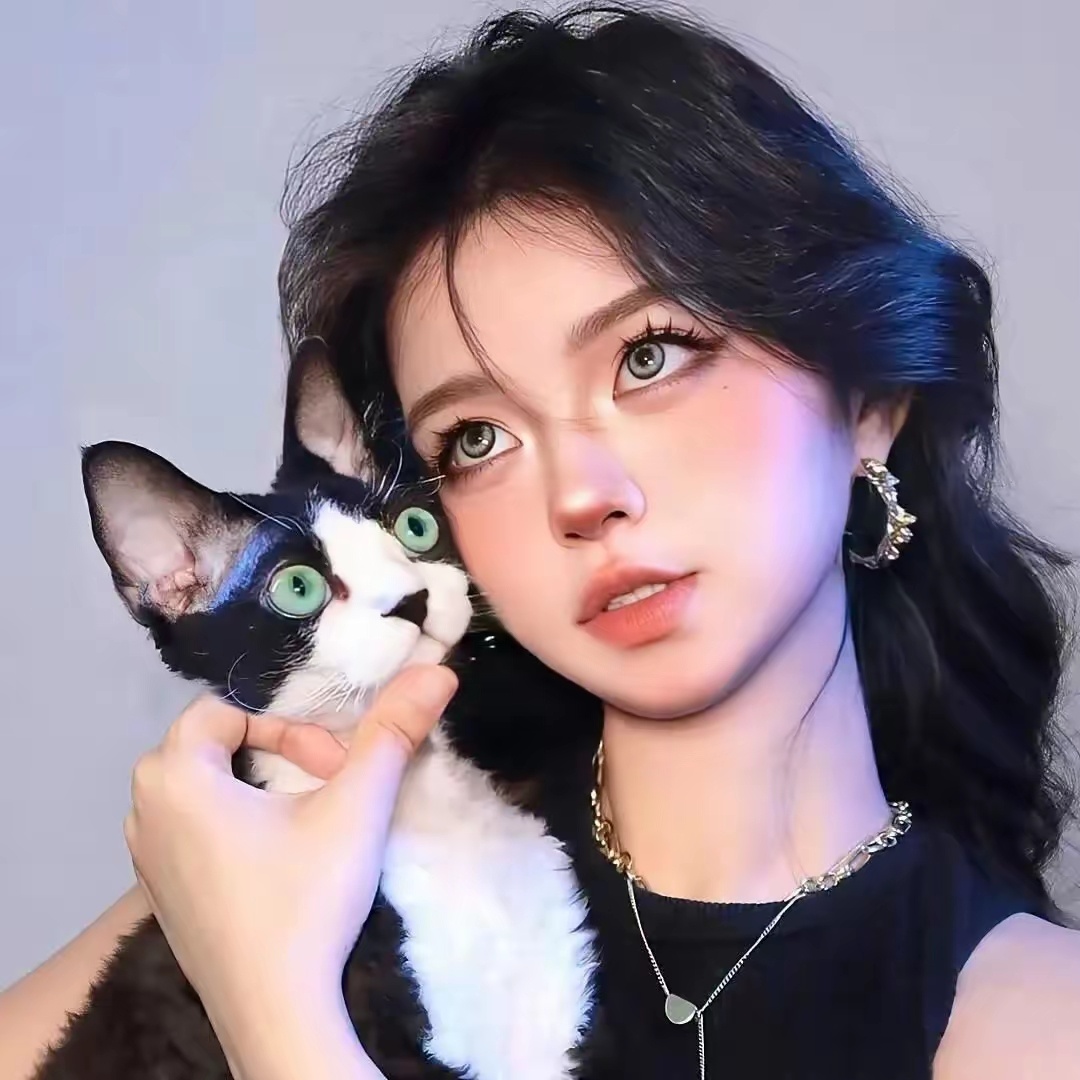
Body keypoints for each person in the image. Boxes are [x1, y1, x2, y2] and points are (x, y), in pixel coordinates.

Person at [4, 4, 1079, 1078]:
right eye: (476, 438)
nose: (581, 495)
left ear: (870, 404)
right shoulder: (285, 853)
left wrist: (274, 1012)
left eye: (650, 357)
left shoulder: (1033, 1020)